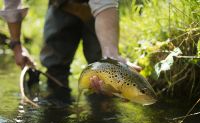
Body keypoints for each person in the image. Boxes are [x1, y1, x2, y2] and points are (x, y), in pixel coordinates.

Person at [0, 0, 141, 96]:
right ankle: (55, 109)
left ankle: (103, 113)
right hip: (61, 4)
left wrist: (111, 56)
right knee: (54, 66)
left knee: (102, 74)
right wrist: (16, 45)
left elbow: (104, 3)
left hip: (99, 9)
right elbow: (12, 3)